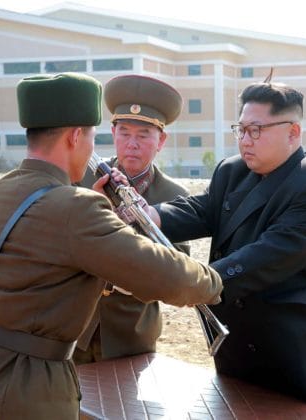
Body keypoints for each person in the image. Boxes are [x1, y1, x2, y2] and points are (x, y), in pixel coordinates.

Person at [0, 72, 222, 419]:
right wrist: (217, 279)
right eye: (92, 137)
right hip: (25, 388)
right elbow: (173, 279)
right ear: (74, 137)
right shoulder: (78, 207)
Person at [148, 79, 306, 417]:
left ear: (293, 132)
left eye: (257, 130)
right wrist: (151, 215)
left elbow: (270, 255)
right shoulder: (232, 171)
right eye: (241, 129)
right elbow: (204, 210)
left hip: (300, 345)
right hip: (238, 340)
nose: (246, 140)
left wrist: (194, 280)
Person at [73, 74, 191, 363]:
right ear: (112, 134)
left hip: (132, 333)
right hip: (75, 324)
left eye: (143, 135)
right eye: (124, 133)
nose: (132, 144)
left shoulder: (174, 196)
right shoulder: (81, 177)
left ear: (161, 140)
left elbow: (177, 269)